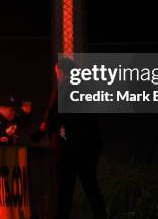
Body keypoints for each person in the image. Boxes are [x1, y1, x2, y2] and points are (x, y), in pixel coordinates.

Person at [35, 57, 105, 219]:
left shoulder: (64, 88)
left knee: (65, 189)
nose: (56, 75)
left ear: (61, 71)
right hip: (89, 145)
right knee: (90, 185)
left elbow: (53, 115)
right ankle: (101, 215)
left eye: (57, 72)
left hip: (69, 147)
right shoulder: (86, 87)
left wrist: (40, 133)